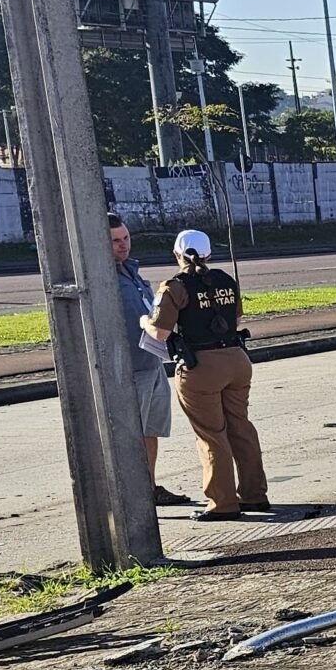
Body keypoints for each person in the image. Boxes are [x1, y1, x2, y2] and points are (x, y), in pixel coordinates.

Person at [144, 228, 268, 521]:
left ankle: (222, 504)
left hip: (200, 366)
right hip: (237, 360)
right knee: (241, 428)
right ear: (209, 254)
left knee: (211, 434)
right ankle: (254, 495)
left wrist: (144, 322)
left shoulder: (175, 286)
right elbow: (236, 318)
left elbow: (160, 332)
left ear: (177, 255)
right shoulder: (226, 279)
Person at [108, 213, 195, 507]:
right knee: (130, 434)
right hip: (130, 369)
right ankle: (129, 493)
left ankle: (149, 487)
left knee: (150, 431)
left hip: (153, 363)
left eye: (126, 238)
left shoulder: (133, 272)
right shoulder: (104, 279)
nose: (123, 246)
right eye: (116, 241)